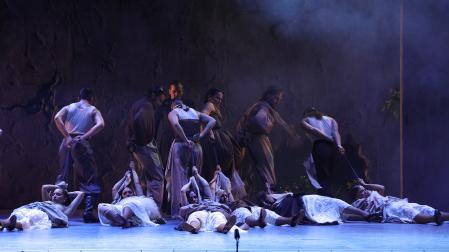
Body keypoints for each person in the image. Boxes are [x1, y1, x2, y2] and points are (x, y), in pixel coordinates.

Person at [53, 88, 104, 223]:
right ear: (92, 98)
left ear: (78, 97)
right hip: (81, 143)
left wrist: (67, 136)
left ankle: (54, 211)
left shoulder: (70, 107)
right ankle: (88, 212)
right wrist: (85, 136)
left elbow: (57, 117)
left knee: (63, 176)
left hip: (66, 143)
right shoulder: (93, 109)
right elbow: (101, 124)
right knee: (89, 177)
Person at [236, 86, 298, 196]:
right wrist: (264, 129)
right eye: (276, 98)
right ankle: (268, 194)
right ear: (268, 96)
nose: (277, 101)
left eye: (279, 99)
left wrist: (290, 132)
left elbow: (280, 121)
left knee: (257, 168)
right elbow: (258, 121)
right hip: (258, 139)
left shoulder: (264, 107)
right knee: (265, 167)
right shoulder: (263, 107)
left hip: (253, 139)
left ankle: (261, 194)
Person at [165, 99, 216, 217]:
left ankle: (181, 210)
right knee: (195, 176)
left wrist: (185, 139)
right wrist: (201, 135)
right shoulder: (195, 112)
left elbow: (176, 124)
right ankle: (196, 208)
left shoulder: (174, 112)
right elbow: (212, 120)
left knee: (179, 178)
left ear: (173, 106)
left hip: (181, 145)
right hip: (196, 147)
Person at [201, 88, 246, 200]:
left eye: (221, 99)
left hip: (220, 139)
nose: (219, 101)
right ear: (209, 97)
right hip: (215, 140)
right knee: (215, 167)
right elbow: (203, 116)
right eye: (217, 98)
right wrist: (208, 131)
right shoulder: (209, 105)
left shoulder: (216, 108)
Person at [301, 107, 356, 196]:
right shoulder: (331, 120)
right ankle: (333, 195)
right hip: (333, 147)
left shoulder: (306, 120)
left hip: (320, 145)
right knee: (332, 173)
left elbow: (313, 130)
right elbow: (335, 133)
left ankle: (327, 197)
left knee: (323, 174)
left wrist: (327, 138)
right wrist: (339, 145)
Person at [126, 87, 165, 207]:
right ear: (153, 96)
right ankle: (155, 210)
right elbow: (138, 120)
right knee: (157, 177)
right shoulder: (146, 106)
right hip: (144, 145)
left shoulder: (140, 104)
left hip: (140, 145)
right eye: (159, 100)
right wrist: (142, 141)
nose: (159, 104)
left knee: (148, 177)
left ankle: (148, 208)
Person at [98, 161, 165, 228]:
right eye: (125, 193)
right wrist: (124, 177)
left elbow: (137, 183)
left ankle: (124, 220)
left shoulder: (137, 198)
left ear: (133, 193)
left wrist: (133, 169)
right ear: (122, 196)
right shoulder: (119, 201)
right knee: (101, 206)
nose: (128, 194)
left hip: (136, 211)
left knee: (129, 204)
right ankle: (122, 221)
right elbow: (114, 189)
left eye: (130, 192)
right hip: (121, 211)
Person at [351, 179, 449, 225]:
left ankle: (440, 216)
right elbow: (352, 214)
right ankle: (434, 218)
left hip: (396, 202)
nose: (365, 191)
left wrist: (365, 184)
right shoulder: (358, 203)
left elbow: (382, 188)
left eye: (364, 189)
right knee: (411, 213)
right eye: (361, 191)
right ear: (356, 196)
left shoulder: (373, 194)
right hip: (389, 209)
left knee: (425, 208)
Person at [0, 182, 84, 231]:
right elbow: (44, 187)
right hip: (34, 208)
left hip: (43, 215)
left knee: (31, 218)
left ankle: (10, 224)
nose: (54, 196)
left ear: (65, 199)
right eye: (53, 194)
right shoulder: (47, 202)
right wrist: (59, 187)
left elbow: (81, 193)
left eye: (58, 194)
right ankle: (6, 224)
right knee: (19, 214)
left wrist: (66, 193)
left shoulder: (67, 209)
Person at [258, 191, 380, 224]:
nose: (268, 199)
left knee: (335, 202)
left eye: (267, 197)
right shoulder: (274, 208)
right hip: (305, 208)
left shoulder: (281, 197)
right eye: (265, 199)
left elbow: (290, 194)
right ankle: (364, 217)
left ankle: (365, 214)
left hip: (308, 200)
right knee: (336, 216)